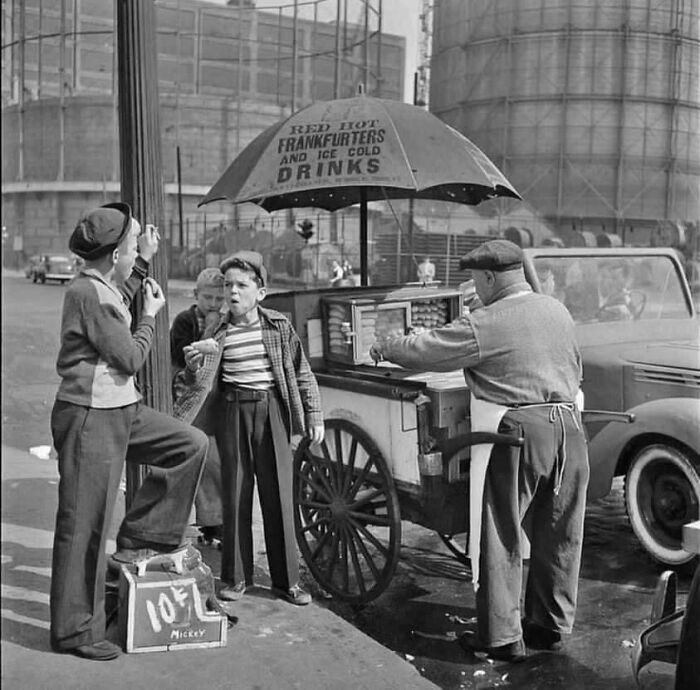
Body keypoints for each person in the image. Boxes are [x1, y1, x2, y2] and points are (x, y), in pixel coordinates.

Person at [370, 239, 588, 663]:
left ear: (489, 277)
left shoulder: (487, 321)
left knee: (500, 532)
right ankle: (550, 625)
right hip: (571, 431)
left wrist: (386, 347)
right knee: (560, 532)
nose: (475, 290)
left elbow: (425, 351)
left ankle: (502, 637)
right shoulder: (556, 310)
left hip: (522, 434)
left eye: (475, 281)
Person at [49, 203, 208, 661]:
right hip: (89, 416)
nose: (139, 247)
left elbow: (121, 283)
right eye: (134, 243)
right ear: (115, 252)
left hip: (120, 408)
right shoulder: (90, 294)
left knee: (188, 444)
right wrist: (150, 316)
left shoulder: (101, 282)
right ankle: (74, 632)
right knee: (84, 525)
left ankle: (144, 537)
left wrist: (143, 262)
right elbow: (131, 357)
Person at [173, 250, 325, 606]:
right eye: (228, 285)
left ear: (261, 292)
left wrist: (314, 415)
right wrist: (193, 366)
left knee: (278, 498)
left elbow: (302, 372)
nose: (233, 293)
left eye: (242, 285)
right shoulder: (216, 329)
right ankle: (236, 577)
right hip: (232, 414)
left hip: (271, 411)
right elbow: (196, 381)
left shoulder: (278, 326)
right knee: (236, 495)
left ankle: (287, 582)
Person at [170, 267, 226, 546]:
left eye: (219, 298)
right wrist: (207, 331)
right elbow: (179, 358)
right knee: (197, 458)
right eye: (208, 298)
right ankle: (196, 521)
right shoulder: (184, 321)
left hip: (215, 399)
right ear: (196, 295)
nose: (214, 304)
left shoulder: (227, 321)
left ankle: (214, 521)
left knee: (215, 462)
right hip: (191, 396)